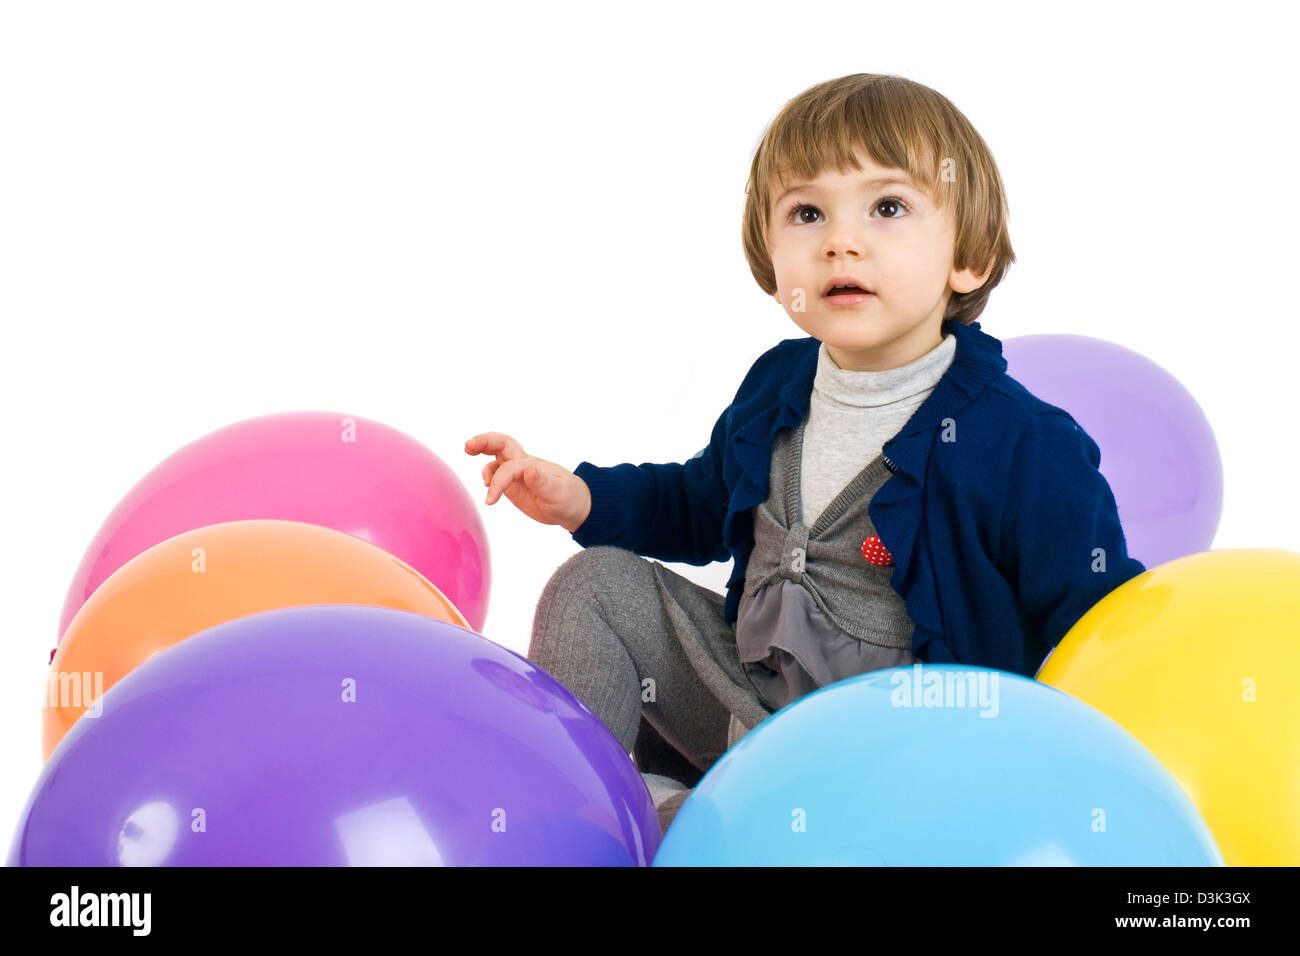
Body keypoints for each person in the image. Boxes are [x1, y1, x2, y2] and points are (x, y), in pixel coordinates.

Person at [465, 73, 1146, 835]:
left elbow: (1097, 622)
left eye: (887, 208)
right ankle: (576, 815)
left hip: (903, 747)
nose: (840, 240)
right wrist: (582, 499)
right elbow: (698, 502)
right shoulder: (777, 384)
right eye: (807, 213)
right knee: (596, 586)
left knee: (832, 812)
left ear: (969, 259)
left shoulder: (1024, 443)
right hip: (748, 704)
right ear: (769, 255)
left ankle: (713, 821)